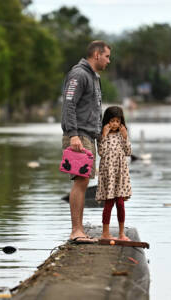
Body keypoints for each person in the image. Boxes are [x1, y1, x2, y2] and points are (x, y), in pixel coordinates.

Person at [61, 40, 111, 243]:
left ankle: (79, 230)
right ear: (97, 55)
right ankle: (76, 231)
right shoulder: (79, 74)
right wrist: (72, 134)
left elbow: (92, 110)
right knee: (80, 183)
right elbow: (69, 105)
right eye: (107, 56)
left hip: (88, 136)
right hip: (78, 136)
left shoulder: (93, 77)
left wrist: (100, 137)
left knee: (84, 182)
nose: (109, 60)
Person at [95, 106, 132, 241]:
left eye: (117, 121)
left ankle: (122, 233)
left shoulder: (122, 135)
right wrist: (104, 136)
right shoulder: (102, 136)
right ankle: (105, 233)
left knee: (120, 203)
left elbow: (128, 152)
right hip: (108, 173)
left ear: (121, 122)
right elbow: (101, 153)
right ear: (107, 121)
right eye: (112, 121)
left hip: (120, 174)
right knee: (109, 203)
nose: (115, 124)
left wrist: (125, 137)